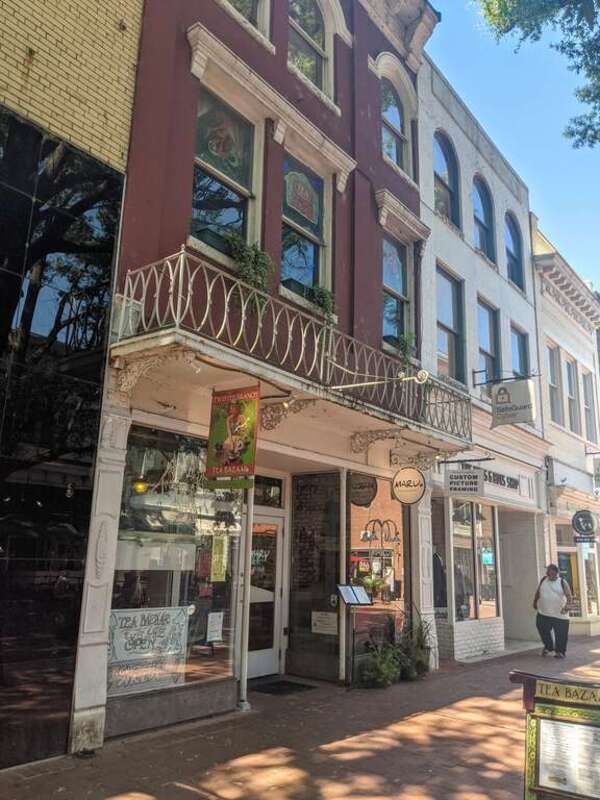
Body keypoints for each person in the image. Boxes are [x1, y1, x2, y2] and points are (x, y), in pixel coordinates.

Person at [533, 564, 572, 658]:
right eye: (549, 572)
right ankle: (549, 646)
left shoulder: (562, 582)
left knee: (561, 634)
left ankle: (560, 652)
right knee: (542, 628)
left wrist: (566, 607)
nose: (551, 575)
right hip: (543, 612)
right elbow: (538, 592)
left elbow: (569, 596)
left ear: (556, 573)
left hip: (559, 614)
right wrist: (535, 602)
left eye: (553, 573)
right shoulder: (543, 580)